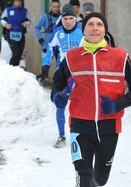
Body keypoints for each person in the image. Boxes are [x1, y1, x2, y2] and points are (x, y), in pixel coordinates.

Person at [51, 12, 131, 187]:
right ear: (84, 30)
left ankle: (91, 185)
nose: (95, 27)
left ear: (105, 30)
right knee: (83, 178)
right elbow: (57, 84)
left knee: (100, 179)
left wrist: (117, 105)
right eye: (90, 24)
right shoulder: (72, 58)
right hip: (80, 128)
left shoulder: (120, 57)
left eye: (99, 24)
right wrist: (58, 98)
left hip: (109, 129)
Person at [38, 3, 83, 148]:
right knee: (60, 103)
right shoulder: (57, 34)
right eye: (66, 19)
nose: (68, 21)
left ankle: (79, 135)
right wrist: (45, 69)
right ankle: (61, 135)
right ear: (62, 20)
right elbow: (49, 51)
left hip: (79, 76)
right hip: (62, 75)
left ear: (75, 19)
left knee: (79, 106)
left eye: (71, 18)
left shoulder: (82, 32)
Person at [34, 0, 61, 81]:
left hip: (59, 45)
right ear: (50, 7)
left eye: (58, 7)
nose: (56, 9)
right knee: (46, 63)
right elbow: (36, 28)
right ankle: (42, 80)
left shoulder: (62, 17)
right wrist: (40, 38)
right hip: (47, 44)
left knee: (59, 64)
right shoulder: (45, 17)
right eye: (54, 7)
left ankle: (58, 81)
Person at [1, 0, 31, 66]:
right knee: (16, 52)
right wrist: (6, 24)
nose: (18, 3)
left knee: (20, 53)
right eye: (16, 1)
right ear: (14, 2)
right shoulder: (8, 10)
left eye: (19, 2)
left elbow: (29, 20)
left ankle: (16, 68)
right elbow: (1, 19)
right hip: (11, 33)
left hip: (21, 33)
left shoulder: (25, 11)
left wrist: (26, 23)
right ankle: (11, 67)